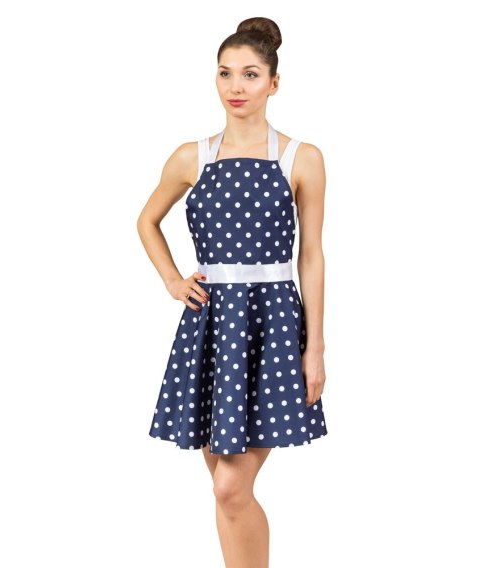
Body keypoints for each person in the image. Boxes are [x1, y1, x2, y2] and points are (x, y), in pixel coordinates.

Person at [137, 16, 328, 568]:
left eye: (250, 74)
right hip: (211, 326)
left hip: (272, 326)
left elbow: (311, 256)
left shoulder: (301, 158)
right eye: (225, 73)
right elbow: (147, 221)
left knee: (229, 487)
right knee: (225, 490)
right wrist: (173, 280)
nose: (236, 86)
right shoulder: (191, 156)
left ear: (274, 82)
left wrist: (315, 348)